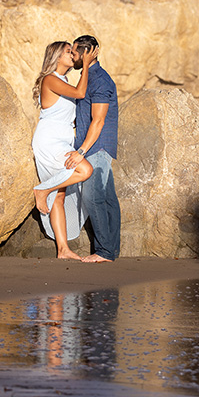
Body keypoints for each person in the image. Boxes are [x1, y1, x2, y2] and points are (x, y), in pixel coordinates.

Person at [31, 40, 99, 260]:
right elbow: (80, 93)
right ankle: (42, 190)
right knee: (84, 171)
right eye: (69, 51)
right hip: (50, 141)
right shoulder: (50, 79)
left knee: (60, 197)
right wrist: (87, 64)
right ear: (57, 57)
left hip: (63, 141)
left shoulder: (63, 79)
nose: (74, 54)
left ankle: (63, 250)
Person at [64, 35, 120, 263]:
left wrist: (81, 151)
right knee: (107, 199)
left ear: (87, 54)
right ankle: (111, 251)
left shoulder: (100, 80)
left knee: (93, 198)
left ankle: (104, 252)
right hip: (93, 147)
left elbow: (98, 120)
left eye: (75, 53)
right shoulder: (90, 77)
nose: (72, 57)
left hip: (97, 148)